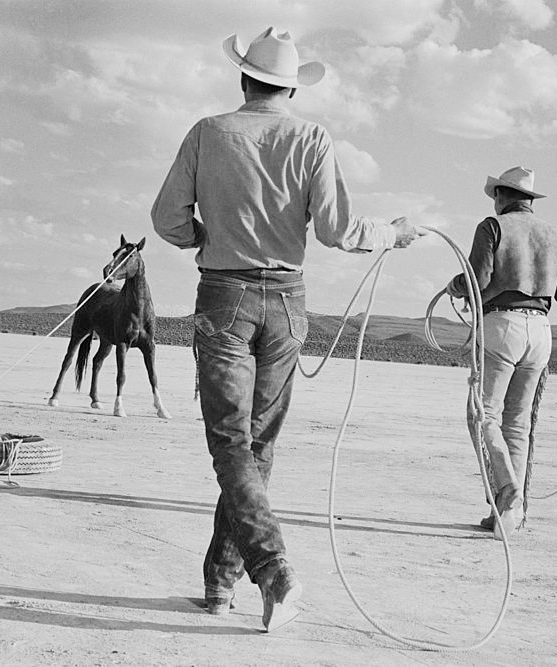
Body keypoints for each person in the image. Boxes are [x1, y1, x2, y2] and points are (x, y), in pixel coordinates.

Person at [151, 26, 426, 632]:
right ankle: (220, 587)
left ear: (243, 78)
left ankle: (272, 572)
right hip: (287, 303)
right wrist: (396, 233)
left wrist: (204, 236)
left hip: (223, 294)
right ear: (292, 90)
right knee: (256, 445)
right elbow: (337, 229)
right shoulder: (313, 138)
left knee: (230, 443)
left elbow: (167, 219)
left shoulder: (208, 132)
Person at [446, 166, 557, 539]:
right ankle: (508, 514)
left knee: (482, 413)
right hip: (541, 332)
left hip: (503, 327)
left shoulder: (492, 227)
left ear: (503, 195)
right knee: (516, 423)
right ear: (530, 201)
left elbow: (478, 278)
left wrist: (456, 286)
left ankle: (506, 489)